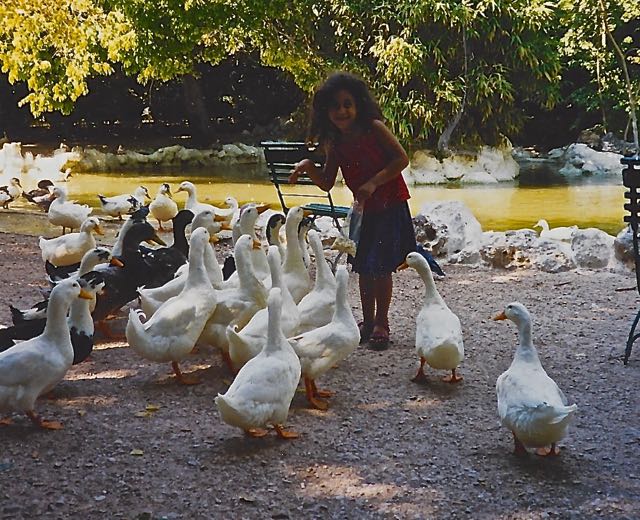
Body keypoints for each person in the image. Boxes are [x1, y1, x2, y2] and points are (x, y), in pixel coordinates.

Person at [289, 71, 416, 350]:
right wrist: (308, 166)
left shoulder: (374, 128)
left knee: (381, 267)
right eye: (335, 106)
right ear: (326, 111)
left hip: (389, 204)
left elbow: (401, 159)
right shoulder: (334, 142)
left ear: (357, 105)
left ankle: (382, 323)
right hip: (363, 211)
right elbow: (326, 182)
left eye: (347, 104)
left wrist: (373, 183)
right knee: (363, 266)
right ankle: (367, 322)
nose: (342, 111)